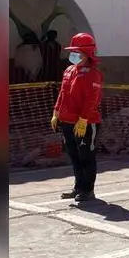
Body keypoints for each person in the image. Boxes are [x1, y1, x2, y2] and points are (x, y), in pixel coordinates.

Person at [50, 33, 104, 203]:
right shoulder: (69, 71)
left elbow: (92, 99)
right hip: (67, 121)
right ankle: (78, 187)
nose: (73, 55)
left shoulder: (93, 74)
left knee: (86, 156)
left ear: (87, 54)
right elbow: (63, 94)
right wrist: (56, 113)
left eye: (77, 52)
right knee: (74, 156)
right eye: (72, 52)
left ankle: (88, 190)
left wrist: (83, 119)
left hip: (85, 123)